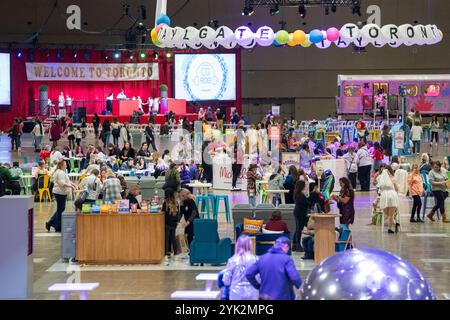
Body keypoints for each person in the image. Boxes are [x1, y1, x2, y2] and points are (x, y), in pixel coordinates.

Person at [222, 235, 259, 300]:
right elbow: (259, 279)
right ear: (250, 245)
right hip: (252, 291)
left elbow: (226, 280)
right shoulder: (255, 259)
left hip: (235, 292)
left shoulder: (232, 260)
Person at [46, 160, 76, 232]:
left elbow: (66, 181)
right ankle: (57, 226)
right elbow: (62, 183)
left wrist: (73, 184)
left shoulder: (61, 172)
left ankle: (50, 223)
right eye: (65, 164)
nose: (66, 165)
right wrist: (71, 187)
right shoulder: (60, 173)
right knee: (61, 209)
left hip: (61, 192)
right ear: (61, 165)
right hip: (60, 192)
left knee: (60, 209)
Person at [377, 166, 400, 234]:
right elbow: (397, 189)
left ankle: (394, 225)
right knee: (391, 215)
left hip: (384, 196)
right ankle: (393, 226)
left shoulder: (380, 179)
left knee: (387, 215)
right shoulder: (393, 179)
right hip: (392, 195)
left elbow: (379, 189)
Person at [162, 188, 180, 259]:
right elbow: (178, 213)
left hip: (167, 222)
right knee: (173, 238)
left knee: (166, 238)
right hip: (174, 223)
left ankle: (166, 252)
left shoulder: (166, 203)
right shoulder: (176, 202)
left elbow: (164, 212)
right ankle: (175, 252)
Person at [292, 180, 308, 252]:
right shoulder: (301, 195)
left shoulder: (297, 193)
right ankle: (298, 245)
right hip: (300, 213)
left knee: (297, 229)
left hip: (297, 212)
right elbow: (306, 203)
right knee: (299, 229)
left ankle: (294, 245)